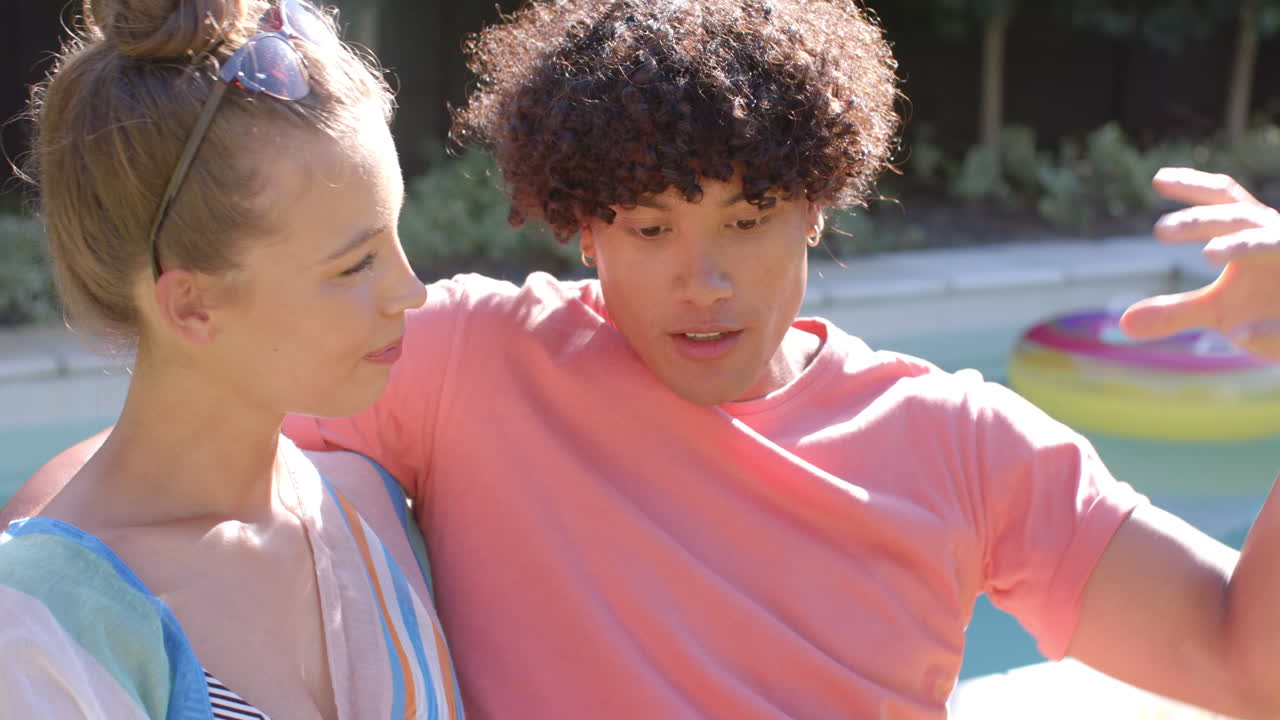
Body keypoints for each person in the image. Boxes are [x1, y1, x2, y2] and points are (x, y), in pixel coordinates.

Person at [8, 1, 1280, 718]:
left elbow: (1241, 660)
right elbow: (178, 452)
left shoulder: (968, 443)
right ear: (581, 221)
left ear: (819, 205)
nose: (702, 280)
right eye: (650, 228)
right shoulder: (460, 360)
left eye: (745, 220)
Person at [0, 1, 463, 718]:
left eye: (395, 237)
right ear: (191, 306)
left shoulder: (371, 509)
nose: (413, 291)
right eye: (354, 265)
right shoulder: (36, 625)